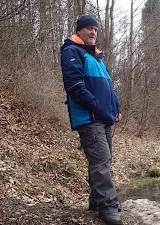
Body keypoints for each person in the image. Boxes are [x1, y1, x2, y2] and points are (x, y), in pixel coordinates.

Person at [60, 14, 122, 225]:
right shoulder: (72, 51)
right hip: (89, 117)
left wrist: (116, 107)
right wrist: (95, 105)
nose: (93, 32)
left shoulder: (98, 57)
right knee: (101, 160)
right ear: (79, 31)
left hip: (104, 117)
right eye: (88, 29)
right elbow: (74, 85)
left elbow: (109, 86)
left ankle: (96, 201)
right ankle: (108, 206)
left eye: (95, 29)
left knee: (103, 159)